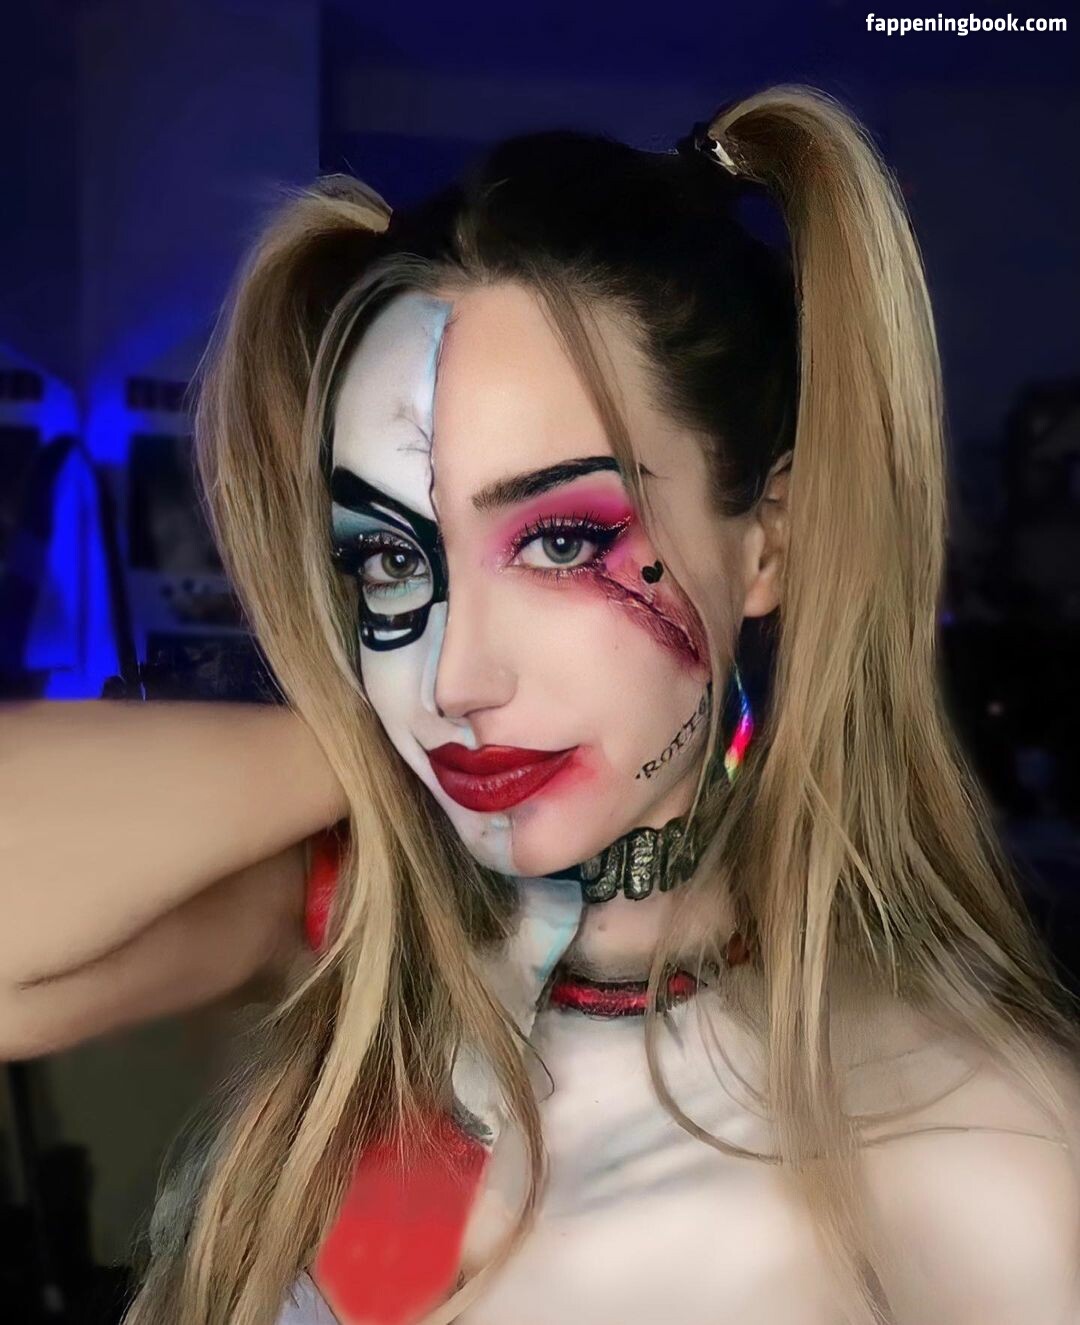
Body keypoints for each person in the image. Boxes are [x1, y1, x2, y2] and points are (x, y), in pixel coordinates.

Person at [2, 85, 1078, 1325]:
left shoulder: (972, 1158)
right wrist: (370, 743)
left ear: (770, 540)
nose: (456, 674)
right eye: (390, 558)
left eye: (563, 540)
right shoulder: (367, 946)